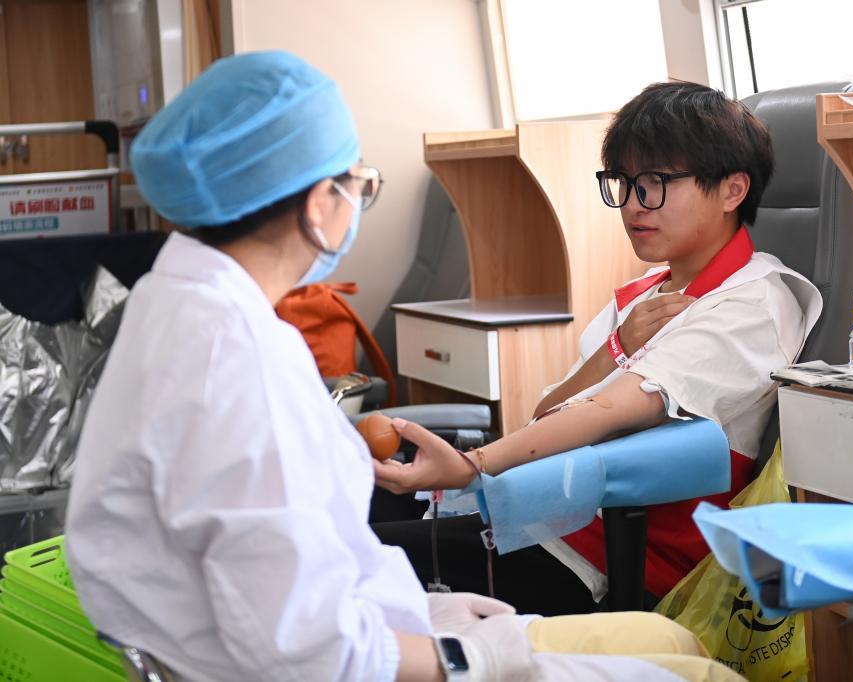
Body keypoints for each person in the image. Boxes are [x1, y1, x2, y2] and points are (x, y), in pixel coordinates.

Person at [64, 51, 744, 682]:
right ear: (317, 203)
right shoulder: (238, 358)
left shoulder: (176, 303)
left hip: (311, 631)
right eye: (357, 183)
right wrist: (468, 653)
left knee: (674, 644)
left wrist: (418, 608)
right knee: (699, 674)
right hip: (342, 656)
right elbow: (307, 645)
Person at [372, 82, 823, 614]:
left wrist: (473, 465)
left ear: (732, 191)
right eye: (624, 183)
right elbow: (548, 412)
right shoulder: (643, 296)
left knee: (356, 558)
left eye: (655, 183)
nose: (632, 205)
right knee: (351, 513)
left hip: (609, 563)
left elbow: (615, 408)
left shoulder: (755, 303)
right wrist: (615, 347)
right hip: (548, 519)